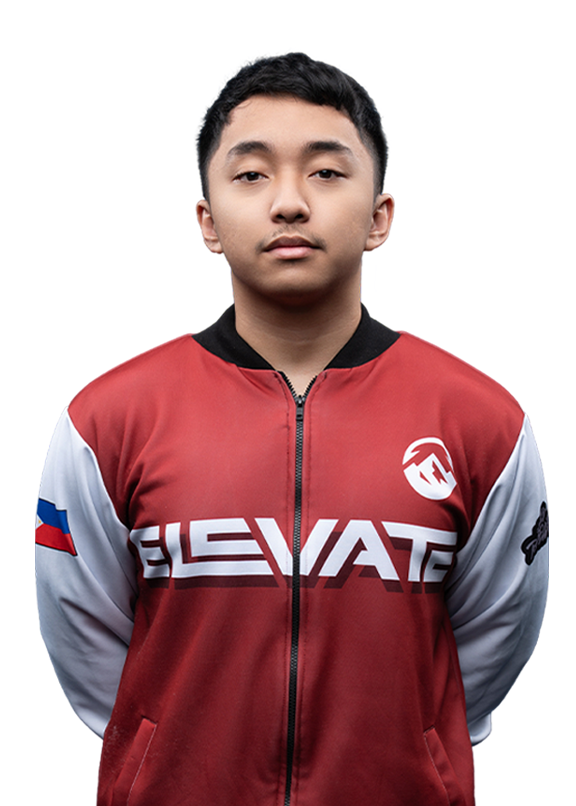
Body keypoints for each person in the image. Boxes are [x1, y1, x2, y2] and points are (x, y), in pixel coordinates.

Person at [35, 50, 549, 806]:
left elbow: (498, 629)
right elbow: (82, 634)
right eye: (251, 174)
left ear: (380, 217)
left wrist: (420, 741)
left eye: (326, 172)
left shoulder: (482, 421)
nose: (288, 203)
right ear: (208, 222)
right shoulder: (106, 418)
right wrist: (158, 745)